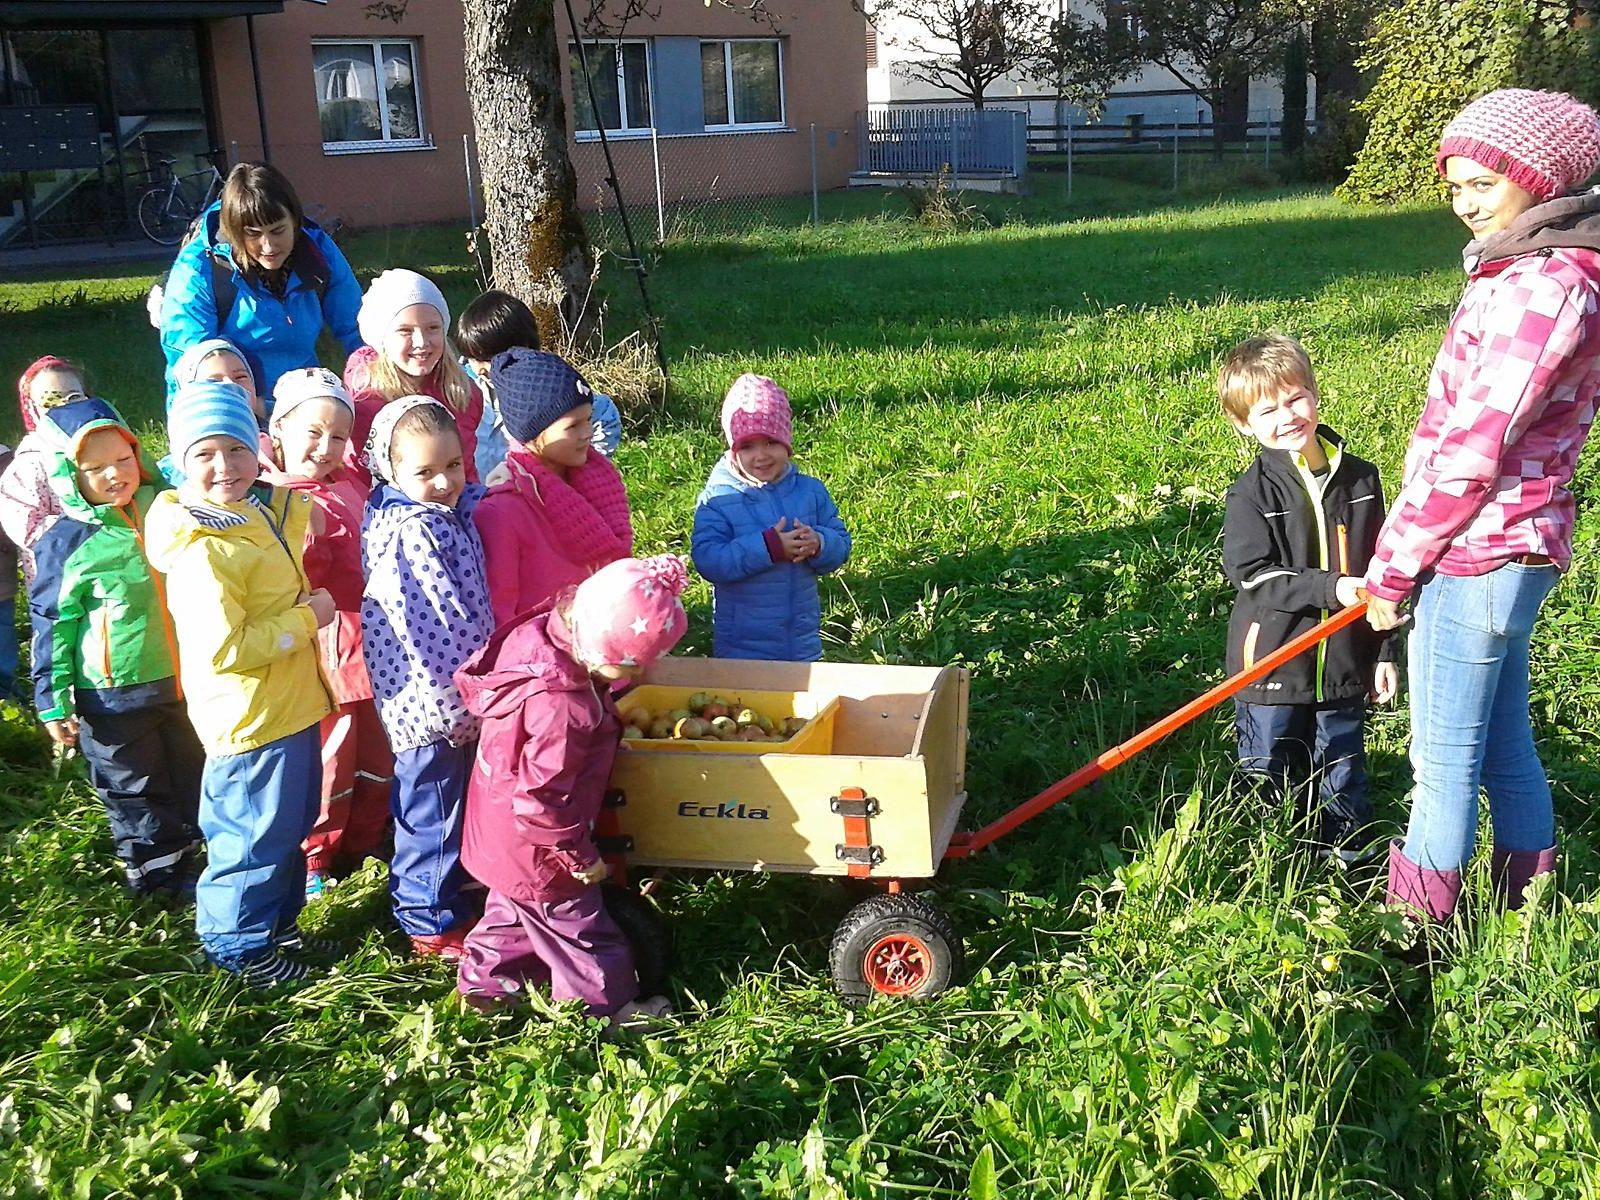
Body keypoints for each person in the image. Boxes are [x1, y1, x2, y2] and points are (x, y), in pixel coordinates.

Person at [1364, 89, 1600, 924]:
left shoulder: (1544, 287)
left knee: (1441, 763)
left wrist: (1394, 568)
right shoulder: (1535, 270)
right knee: (1504, 744)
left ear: (1539, 180)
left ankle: (1414, 939)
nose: (1463, 203)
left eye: (1483, 184)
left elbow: (1472, 449)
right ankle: (1526, 911)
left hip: (1479, 548)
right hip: (1507, 547)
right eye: (1454, 185)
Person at [144, 379, 336, 985]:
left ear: (259, 450)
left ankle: (276, 927)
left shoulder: (251, 515)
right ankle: (238, 947)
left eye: (235, 450)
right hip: (251, 719)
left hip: (289, 704)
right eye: (204, 454)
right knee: (252, 836)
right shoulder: (205, 551)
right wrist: (309, 619)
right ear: (180, 464)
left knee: (287, 824)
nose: (224, 466)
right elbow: (226, 649)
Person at [453, 554, 686, 1025]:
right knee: (582, 932)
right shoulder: (564, 709)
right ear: (602, 656)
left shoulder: (538, 638)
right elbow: (541, 800)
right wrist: (580, 859)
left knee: (511, 914)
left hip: (496, 833)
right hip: (541, 849)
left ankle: (483, 992)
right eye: (627, 670)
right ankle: (613, 1011)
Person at [1218, 334, 1398, 862]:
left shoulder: (1362, 479)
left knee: (1342, 766)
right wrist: (1332, 588)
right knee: (1268, 770)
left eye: (1295, 398)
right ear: (1244, 425)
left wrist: (1384, 652)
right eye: (1267, 410)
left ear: (1315, 395)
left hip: (1343, 662)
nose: (1286, 416)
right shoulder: (1253, 492)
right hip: (1271, 666)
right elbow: (1250, 573)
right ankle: (1269, 864)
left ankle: (1346, 864)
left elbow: (1383, 574)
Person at [27, 396, 203, 896]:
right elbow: (52, 624)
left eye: (124, 460)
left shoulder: (165, 507)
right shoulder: (65, 542)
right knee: (134, 785)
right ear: (67, 474)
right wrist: (52, 699)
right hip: (112, 693)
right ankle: (156, 874)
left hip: (184, 676)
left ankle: (192, 854)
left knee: (190, 767)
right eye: (95, 467)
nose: (114, 475)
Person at [360, 396, 495, 958]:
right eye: (425, 471)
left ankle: (452, 893)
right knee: (432, 812)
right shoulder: (417, 533)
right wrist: (464, 699)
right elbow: (437, 627)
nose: (443, 482)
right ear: (391, 471)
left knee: (449, 802)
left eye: (454, 466)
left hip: (448, 698)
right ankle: (426, 918)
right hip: (433, 702)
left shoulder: (434, 515)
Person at [260, 368, 393, 898]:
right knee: (332, 756)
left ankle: (367, 835)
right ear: (280, 430)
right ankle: (318, 852)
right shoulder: (273, 498)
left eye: (338, 436)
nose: (325, 446)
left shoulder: (350, 484)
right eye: (312, 432)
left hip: (375, 642)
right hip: (327, 650)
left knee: (378, 752)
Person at [159, 162, 363, 407]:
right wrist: (254, 411)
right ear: (234, 230)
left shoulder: (318, 252)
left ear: (296, 221)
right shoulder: (198, 269)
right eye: (253, 234)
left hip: (302, 403)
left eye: (278, 231)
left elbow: (359, 328)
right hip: (227, 406)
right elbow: (192, 367)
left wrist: (371, 383)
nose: (268, 246)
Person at [691, 374, 851, 661]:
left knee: (803, 704)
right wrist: (766, 549)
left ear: (786, 441)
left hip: (800, 640)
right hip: (742, 645)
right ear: (732, 449)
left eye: (771, 442)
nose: (761, 455)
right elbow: (708, 559)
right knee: (748, 704)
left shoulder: (809, 492)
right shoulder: (719, 499)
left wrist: (819, 544)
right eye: (747, 446)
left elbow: (840, 542)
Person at [472, 348, 632, 627]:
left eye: (588, 419)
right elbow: (501, 609)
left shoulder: (596, 480)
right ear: (532, 433)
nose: (588, 433)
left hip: (605, 640)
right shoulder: (504, 510)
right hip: (542, 659)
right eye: (573, 426)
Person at [454, 289, 623, 480]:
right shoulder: (466, 389)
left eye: (487, 360)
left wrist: (581, 470)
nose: (479, 369)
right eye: (472, 359)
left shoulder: (542, 390)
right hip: (482, 497)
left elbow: (601, 412)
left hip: (537, 495)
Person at [344, 269, 484, 490]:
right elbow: (356, 475)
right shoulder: (366, 400)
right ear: (382, 338)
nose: (421, 341)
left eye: (433, 328)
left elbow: (467, 468)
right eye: (405, 331)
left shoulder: (461, 391)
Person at [0, 356, 88, 584]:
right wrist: (91, 525)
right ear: (32, 409)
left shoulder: (104, 446)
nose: (64, 407)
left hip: (113, 575)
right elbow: (27, 528)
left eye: (74, 398)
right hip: (58, 584)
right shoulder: (29, 465)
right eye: (51, 401)